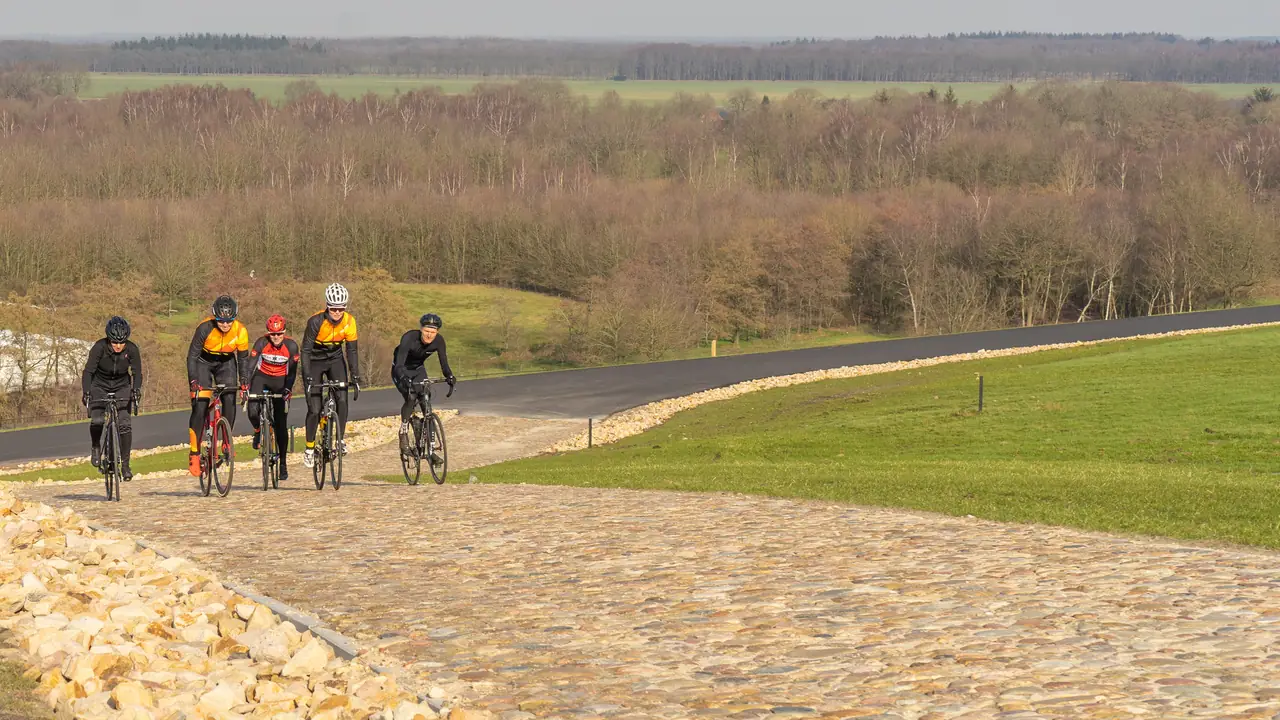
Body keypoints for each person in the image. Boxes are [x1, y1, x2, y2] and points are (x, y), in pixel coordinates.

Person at [186, 295, 250, 477]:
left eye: (229, 321)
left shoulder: (240, 331)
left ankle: (227, 441)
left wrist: (244, 381)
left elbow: (243, 358)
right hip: (203, 361)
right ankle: (194, 452)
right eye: (221, 321)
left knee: (230, 397)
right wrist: (193, 381)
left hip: (226, 362)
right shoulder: (204, 328)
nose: (225, 325)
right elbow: (191, 357)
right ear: (215, 318)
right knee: (200, 404)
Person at [301, 283, 360, 468]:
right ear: (327, 306)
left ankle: (339, 439)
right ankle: (309, 448)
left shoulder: (349, 321)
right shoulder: (316, 322)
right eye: (333, 308)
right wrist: (308, 377)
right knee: (315, 409)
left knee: (342, 400)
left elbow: (352, 351)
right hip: (315, 359)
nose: (337, 312)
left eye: (340, 308)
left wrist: (355, 376)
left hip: (335, 358)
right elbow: (305, 351)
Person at [81, 316, 143, 480]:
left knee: (125, 424)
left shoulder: (131, 349)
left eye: (121, 342)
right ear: (108, 339)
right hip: (99, 385)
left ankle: (126, 465)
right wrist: (87, 391)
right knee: (97, 421)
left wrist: (136, 390)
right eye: (114, 342)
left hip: (122, 385)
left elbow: (137, 373)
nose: (118, 345)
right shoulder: (99, 347)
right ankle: (95, 445)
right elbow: (88, 372)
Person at [391, 313, 456, 456]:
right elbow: (399, 364)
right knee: (411, 396)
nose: (429, 335)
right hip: (401, 369)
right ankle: (403, 432)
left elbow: (444, 363)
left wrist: (449, 376)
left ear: (437, 332)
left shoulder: (439, 341)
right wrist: (404, 379)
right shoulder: (409, 338)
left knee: (426, 401)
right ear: (421, 329)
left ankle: (431, 448)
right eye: (426, 331)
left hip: (418, 369)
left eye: (432, 332)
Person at [247, 314, 300, 482]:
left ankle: (283, 463)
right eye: (273, 334)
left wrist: (287, 389)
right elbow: (250, 366)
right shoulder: (261, 343)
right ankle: (257, 431)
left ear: (284, 333)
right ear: (268, 333)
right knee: (252, 410)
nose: (276, 337)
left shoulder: (291, 347)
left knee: (280, 424)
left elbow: (292, 373)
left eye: (279, 334)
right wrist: (245, 386)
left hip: (280, 381)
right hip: (261, 378)